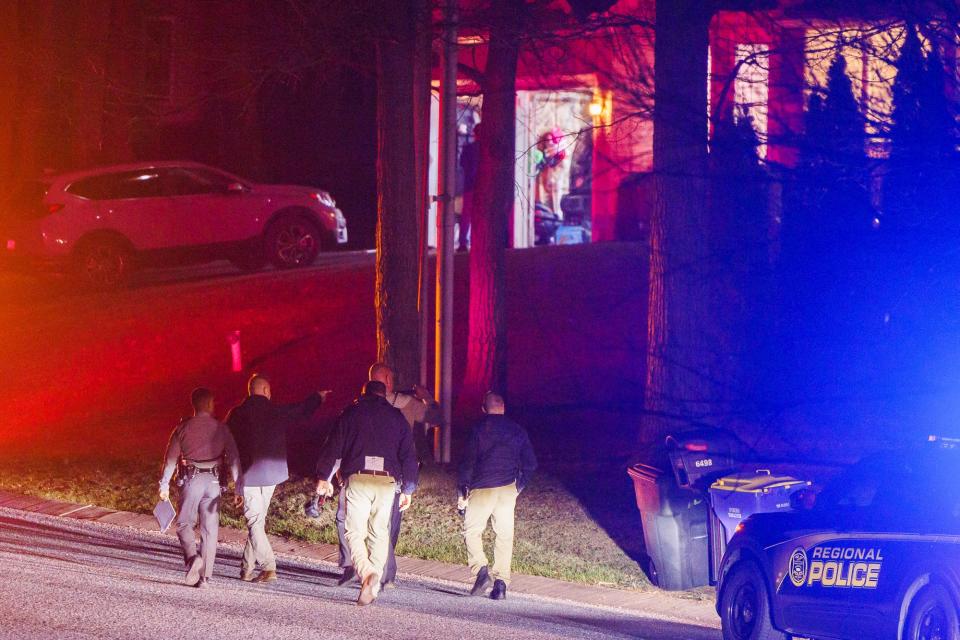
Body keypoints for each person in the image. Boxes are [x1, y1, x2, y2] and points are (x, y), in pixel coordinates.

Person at [334, 363, 440, 588]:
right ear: (389, 381)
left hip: (359, 473)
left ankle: (358, 567)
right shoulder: (406, 406)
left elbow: (340, 441)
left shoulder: (357, 408)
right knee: (383, 526)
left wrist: (332, 472)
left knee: (351, 521)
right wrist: (428, 398)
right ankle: (381, 574)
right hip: (390, 476)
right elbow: (436, 418)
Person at [315, 380, 418, 606]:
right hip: (387, 482)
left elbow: (333, 446)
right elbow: (409, 455)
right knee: (379, 532)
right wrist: (409, 488)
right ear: (384, 395)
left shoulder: (351, 414)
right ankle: (375, 583)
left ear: (363, 393)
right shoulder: (397, 418)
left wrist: (324, 477)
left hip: (358, 478)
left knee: (354, 532)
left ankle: (366, 571)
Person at [226, 373, 329, 584]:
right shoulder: (275, 411)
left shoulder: (237, 414)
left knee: (255, 522)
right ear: (265, 390)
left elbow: (228, 445)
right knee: (258, 522)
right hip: (273, 473)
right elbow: (300, 411)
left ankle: (268, 567)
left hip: (249, 474)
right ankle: (247, 568)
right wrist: (317, 398)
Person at [158, 387, 241, 588]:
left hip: (191, 481)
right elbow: (234, 458)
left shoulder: (182, 428)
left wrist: (164, 485)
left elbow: (170, 459)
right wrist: (238, 487)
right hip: (213, 483)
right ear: (211, 405)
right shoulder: (221, 428)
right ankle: (204, 577)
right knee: (210, 529)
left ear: (193, 405)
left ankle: (192, 558)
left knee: (185, 523)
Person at [458, 392, 537, 600]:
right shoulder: (517, 430)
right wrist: (518, 486)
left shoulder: (478, 428)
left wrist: (463, 488)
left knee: (472, 530)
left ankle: (481, 570)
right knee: (504, 535)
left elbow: (468, 462)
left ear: (483, 408)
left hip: (482, 486)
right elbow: (530, 464)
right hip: (507, 489)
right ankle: (501, 584)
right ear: (503, 408)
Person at [458, 123, 480, 251]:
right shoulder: (486, 150)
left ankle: (462, 242)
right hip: (482, 187)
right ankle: (477, 242)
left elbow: (462, 165)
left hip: (469, 186)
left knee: (466, 215)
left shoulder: (468, 149)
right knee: (480, 215)